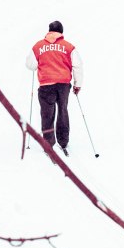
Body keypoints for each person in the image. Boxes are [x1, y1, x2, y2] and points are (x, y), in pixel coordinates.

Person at [26, 21, 83, 156]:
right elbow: (78, 65)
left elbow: (30, 65)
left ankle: (48, 143)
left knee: (47, 114)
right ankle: (63, 141)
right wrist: (77, 84)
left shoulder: (39, 46)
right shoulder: (68, 47)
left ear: (49, 31)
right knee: (63, 110)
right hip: (63, 85)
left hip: (46, 85)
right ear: (61, 32)